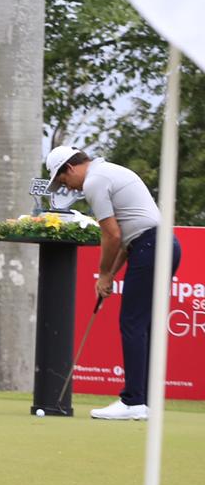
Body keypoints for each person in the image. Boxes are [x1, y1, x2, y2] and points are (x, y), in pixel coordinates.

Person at [46, 145, 183, 421]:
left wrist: (105, 273)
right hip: (163, 244)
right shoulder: (109, 171)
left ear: (70, 168)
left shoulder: (95, 181)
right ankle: (144, 401)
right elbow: (126, 238)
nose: (69, 188)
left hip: (150, 246)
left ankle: (133, 401)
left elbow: (111, 235)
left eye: (63, 180)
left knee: (132, 323)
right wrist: (109, 275)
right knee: (145, 325)